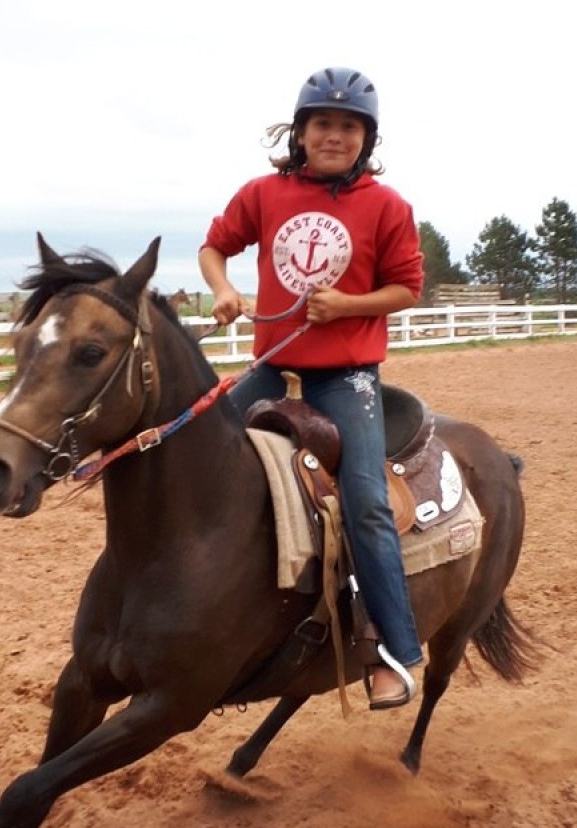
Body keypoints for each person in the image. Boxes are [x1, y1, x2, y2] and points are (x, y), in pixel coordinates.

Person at [198, 66, 425, 710]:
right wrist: (224, 290)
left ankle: (395, 653)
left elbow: (408, 288)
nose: (334, 136)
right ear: (300, 132)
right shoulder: (264, 193)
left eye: (349, 127)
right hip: (271, 365)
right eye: (323, 123)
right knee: (198, 457)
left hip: (344, 379)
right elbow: (215, 248)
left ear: (366, 139)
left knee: (364, 502)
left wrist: (350, 306)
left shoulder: (387, 206)